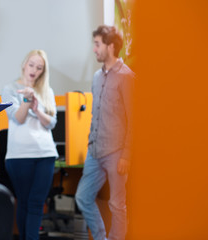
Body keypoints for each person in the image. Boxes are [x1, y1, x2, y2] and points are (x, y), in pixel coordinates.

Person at [75, 25, 135, 240]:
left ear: (110, 46)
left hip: (117, 152)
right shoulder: (96, 77)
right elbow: (95, 115)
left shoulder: (127, 77)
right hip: (95, 150)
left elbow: (134, 120)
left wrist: (127, 155)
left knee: (117, 204)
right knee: (83, 197)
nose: (94, 49)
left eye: (97, 44)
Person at [2, 50, 58, 240]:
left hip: (46, 154)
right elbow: (18, 118)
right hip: (19, 156)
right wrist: (26, 99)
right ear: (24, 64)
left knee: (36, 203)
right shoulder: (10, 89)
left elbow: (51, 122)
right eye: (32, 65)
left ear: (43, 71)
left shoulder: (46, 91)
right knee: (24, 202)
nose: (34, 70)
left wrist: (37, 108)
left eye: (39, 67)